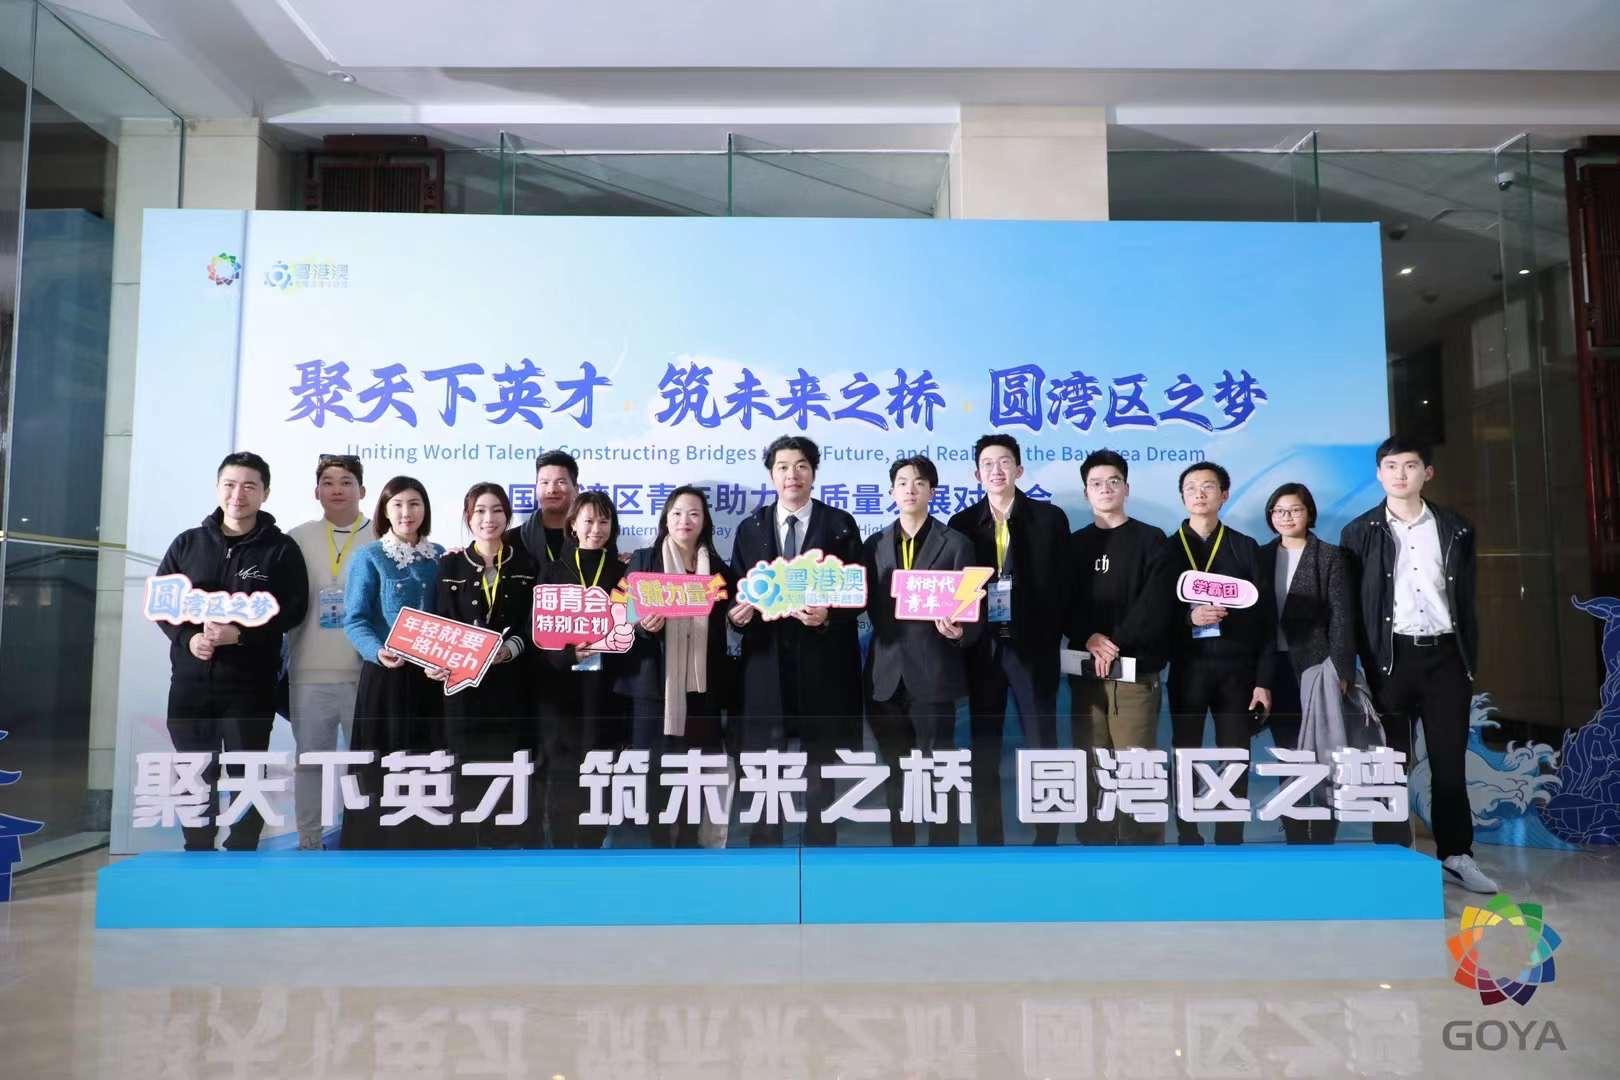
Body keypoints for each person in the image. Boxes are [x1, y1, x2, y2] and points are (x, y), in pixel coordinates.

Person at [1340, 437, 1497, 892]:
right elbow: (1351, 607)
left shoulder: (1456, 527)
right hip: (1389, 660)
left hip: (1446, 658)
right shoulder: (1359, 532)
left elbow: (1465, 598)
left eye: (1410, 466)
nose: (1400, 474)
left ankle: (1456, 856)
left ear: (1427, 472)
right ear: (1378, 474)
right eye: (1391, 466)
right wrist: (1354, 667)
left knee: (1449, 762)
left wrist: (1467, 658)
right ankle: (1391, 854)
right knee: (1389, 763)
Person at [155, 451, 309, 852]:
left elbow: (294, 609)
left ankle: (243, 850)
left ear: (265, 493)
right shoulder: (188, 543)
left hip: (249, 685)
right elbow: (163, 603)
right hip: (190, 682)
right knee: (193, 770)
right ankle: (197, 848)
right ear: (217, 488)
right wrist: (187, 638)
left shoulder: (280, 549)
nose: (238, 494)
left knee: (247, 771)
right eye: (230, 484)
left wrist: (240, 635)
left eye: (249, 486)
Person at [728, 435, 864, 846]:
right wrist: (736, 617)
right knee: (764, 761)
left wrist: (828, 615)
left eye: (802, 466)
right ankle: (765, 845)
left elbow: (858, 593)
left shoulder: (839, 524)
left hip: (822, 662)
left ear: (814, 473)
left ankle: (822, 844)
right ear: (772, 475)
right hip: (765, 661)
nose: (793, 475)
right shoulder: (750, 528)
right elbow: (736, 592)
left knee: (820, 762)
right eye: (783, 467)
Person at [947, 434, 1071, 845]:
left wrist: (1048, 632)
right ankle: (990, 837)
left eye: (1004, 462)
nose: (996, 470)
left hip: (1033, 649)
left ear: (1018, 469)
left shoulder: (1049, 518)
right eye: (987, 463)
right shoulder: (962, 524)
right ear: (976, 474)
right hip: (982, 649)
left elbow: (1064, 585)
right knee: (984, 747)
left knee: (1042, 745)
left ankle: (1048, 837)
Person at [862, 456, 980, 846]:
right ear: (891, 492)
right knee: (896, 771)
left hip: (934, 674)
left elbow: (973, 612)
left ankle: (944, 852)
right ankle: (903, 851)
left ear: (932, 491)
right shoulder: (874, 545)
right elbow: (861, 601)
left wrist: (959, 631)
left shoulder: (956, 544)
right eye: (902, 483)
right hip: (885, 677)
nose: (910, 489)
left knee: (939, 769)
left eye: (919, 483)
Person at [1151, 461, 1270, 846]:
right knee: (1185, 751)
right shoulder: (1167, 548)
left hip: (1237, 670)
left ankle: (1230, 836)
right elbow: (1152, 613)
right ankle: (1188, 831)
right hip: (1188, 667)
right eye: (1191, 488)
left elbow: (1266, 619)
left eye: (1208, 486)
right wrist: (1188, 617)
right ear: (1182, 497)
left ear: (1224, 494)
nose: (1199, 493)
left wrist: (1263, 681)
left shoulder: (1244, 547)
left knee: (1236, 754)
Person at [618, 487, 737, 847]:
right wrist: (642, 624)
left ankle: (689, 841)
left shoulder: (718, 571)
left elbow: (728, 620)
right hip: (654, 686)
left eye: (694, 514)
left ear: (705, 522)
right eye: (677, 513)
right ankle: (655, 843)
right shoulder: (644, 560)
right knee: (654, 770)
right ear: (665, 519)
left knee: (696, 770)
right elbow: (619, 608)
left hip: (702, 689)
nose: (685, 520)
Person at [1065, 449, 1168, 845]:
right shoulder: (1074, 545)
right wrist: (1089, 637)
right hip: (1085, 673)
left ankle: (1143, 854)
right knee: (1090, 763)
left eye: (1113, 481)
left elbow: (1155, 604)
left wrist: (1116, 642)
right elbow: (1062, 601)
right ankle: (1094, 850)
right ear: (1085, 492)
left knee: (1135, 765)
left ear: (1127, 488)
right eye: (1096, 483)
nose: (1105, 489)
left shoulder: (1151, 539)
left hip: (1135, 674)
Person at [431, 483, 539, 848]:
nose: (488, 518)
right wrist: (437, 661)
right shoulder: (449, 564)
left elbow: (531, 623)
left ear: (507, 516)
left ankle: (505, 844)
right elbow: (438, 620)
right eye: (479, 511)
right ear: (468, 517)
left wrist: (509, 650)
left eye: (496, 510)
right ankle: (466, 845)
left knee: (508, 766)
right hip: (462, 686)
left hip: (511, 685)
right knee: (464, 767)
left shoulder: (526, 565)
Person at [341, 476, 445, 849]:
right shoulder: (369, 556)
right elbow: (355, 620)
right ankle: (375, 846)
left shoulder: (440, 556)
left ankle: (426, 842)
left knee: (428, 762)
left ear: (425, 510)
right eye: (397, 504)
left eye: (414, 503)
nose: (406, 512)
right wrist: (376, 651)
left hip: (432, 679)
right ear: (384, 510)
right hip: (387, 676)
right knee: (382, 765)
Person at [1255, 482, 1353, 845]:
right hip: (1274, 668)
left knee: (1324, 753)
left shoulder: (1329, 556)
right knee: (1288, 753)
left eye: (1294, 510)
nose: (1286, 517)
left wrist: (1341, 669)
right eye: (1279, 511)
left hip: (1318, 668)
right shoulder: (1260, 556)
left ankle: (1324, 834)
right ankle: (1295, 833)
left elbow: (1342, 618)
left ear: (1309, 513)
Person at [285, 454, 368, 850]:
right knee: (310, 762)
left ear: (362, 490)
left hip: (366, 674)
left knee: (365, 764)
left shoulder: (382, 536)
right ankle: (309, 840)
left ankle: (363, 838)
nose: (337, 489)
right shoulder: (297, 538)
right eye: (329, 482)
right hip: (309, 670)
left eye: (346, 481)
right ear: (316, 491)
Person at [538, 491, 630, 848]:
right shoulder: (552, 571)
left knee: (601, 774)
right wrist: (569, 655)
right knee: (563, 776)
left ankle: (593, 847)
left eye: (604, 521)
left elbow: (632, 631)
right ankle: (562, 851)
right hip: (561, 690)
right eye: (588, 520)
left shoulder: (623, 573)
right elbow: (538, 633)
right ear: (573, 524)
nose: (596, 528)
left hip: (608, 689)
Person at [506, 449, 580, 576]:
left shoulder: (591, 538)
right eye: (544, 482)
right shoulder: (511, 540)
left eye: (561, 482)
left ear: (576, 489)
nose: (551, 489)